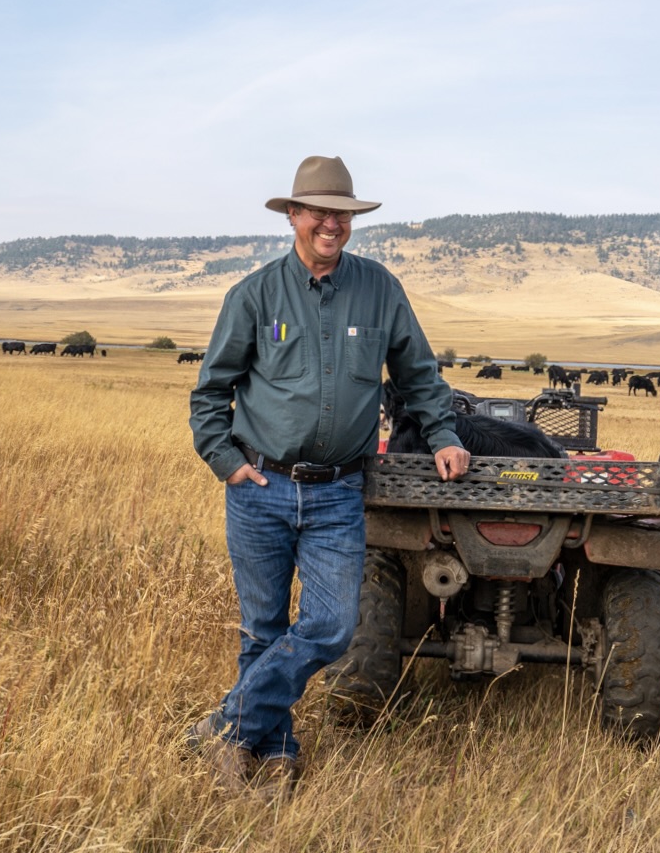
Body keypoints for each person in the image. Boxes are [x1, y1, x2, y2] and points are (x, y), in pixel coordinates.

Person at [187, 154, 469, 798]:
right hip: (261, 487)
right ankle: (273, 754)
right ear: (293, 215)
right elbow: (211, 394)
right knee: (262, 628)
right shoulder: (254, 294)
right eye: (318, 211)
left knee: (332, 625)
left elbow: (418, 374)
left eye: (341, 213)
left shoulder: (379, 289)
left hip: (340, 490)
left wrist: (446, 434)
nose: (330, 224)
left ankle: (226, 731)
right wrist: (227, 463)